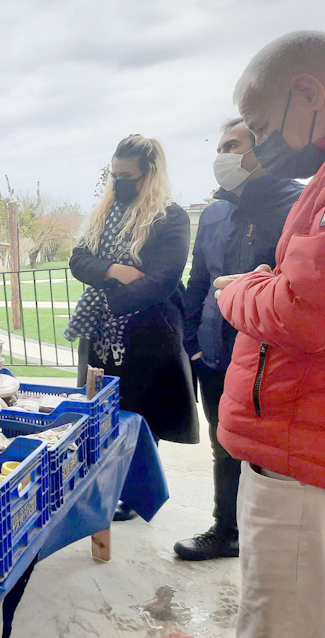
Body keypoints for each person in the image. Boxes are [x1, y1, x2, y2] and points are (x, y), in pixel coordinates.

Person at [214, 30, 325, 636]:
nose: (258, 143)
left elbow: (303, 311)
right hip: (298, 441)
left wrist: (238, 291)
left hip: (302, 459)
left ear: (306, 93)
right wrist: (269, 282)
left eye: (259, 125)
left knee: (280, 618)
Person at [176, 118, 303, 561]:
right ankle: (225, 530)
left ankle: (272, 545)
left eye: (233, 145)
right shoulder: (214, 212)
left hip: (273, 360)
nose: (222, 155)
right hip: (214, 355)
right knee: (224, 445)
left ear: (262, 150)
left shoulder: (298, 205)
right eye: (221, 145)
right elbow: (198, 283)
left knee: (270, 457)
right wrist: (193, 343)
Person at [65, 134, 199, 521]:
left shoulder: (169, 217)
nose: (118, 182)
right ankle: (107, 481)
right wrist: (114, 270)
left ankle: (135, 491)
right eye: (114, 174)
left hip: (148, 333)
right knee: (105, 409)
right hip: (101, 335)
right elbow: (78, 260)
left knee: (142, 417)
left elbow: (164, 278)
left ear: (149, 174)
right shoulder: (104, 213)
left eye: (127, 175)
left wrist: (111, 298)